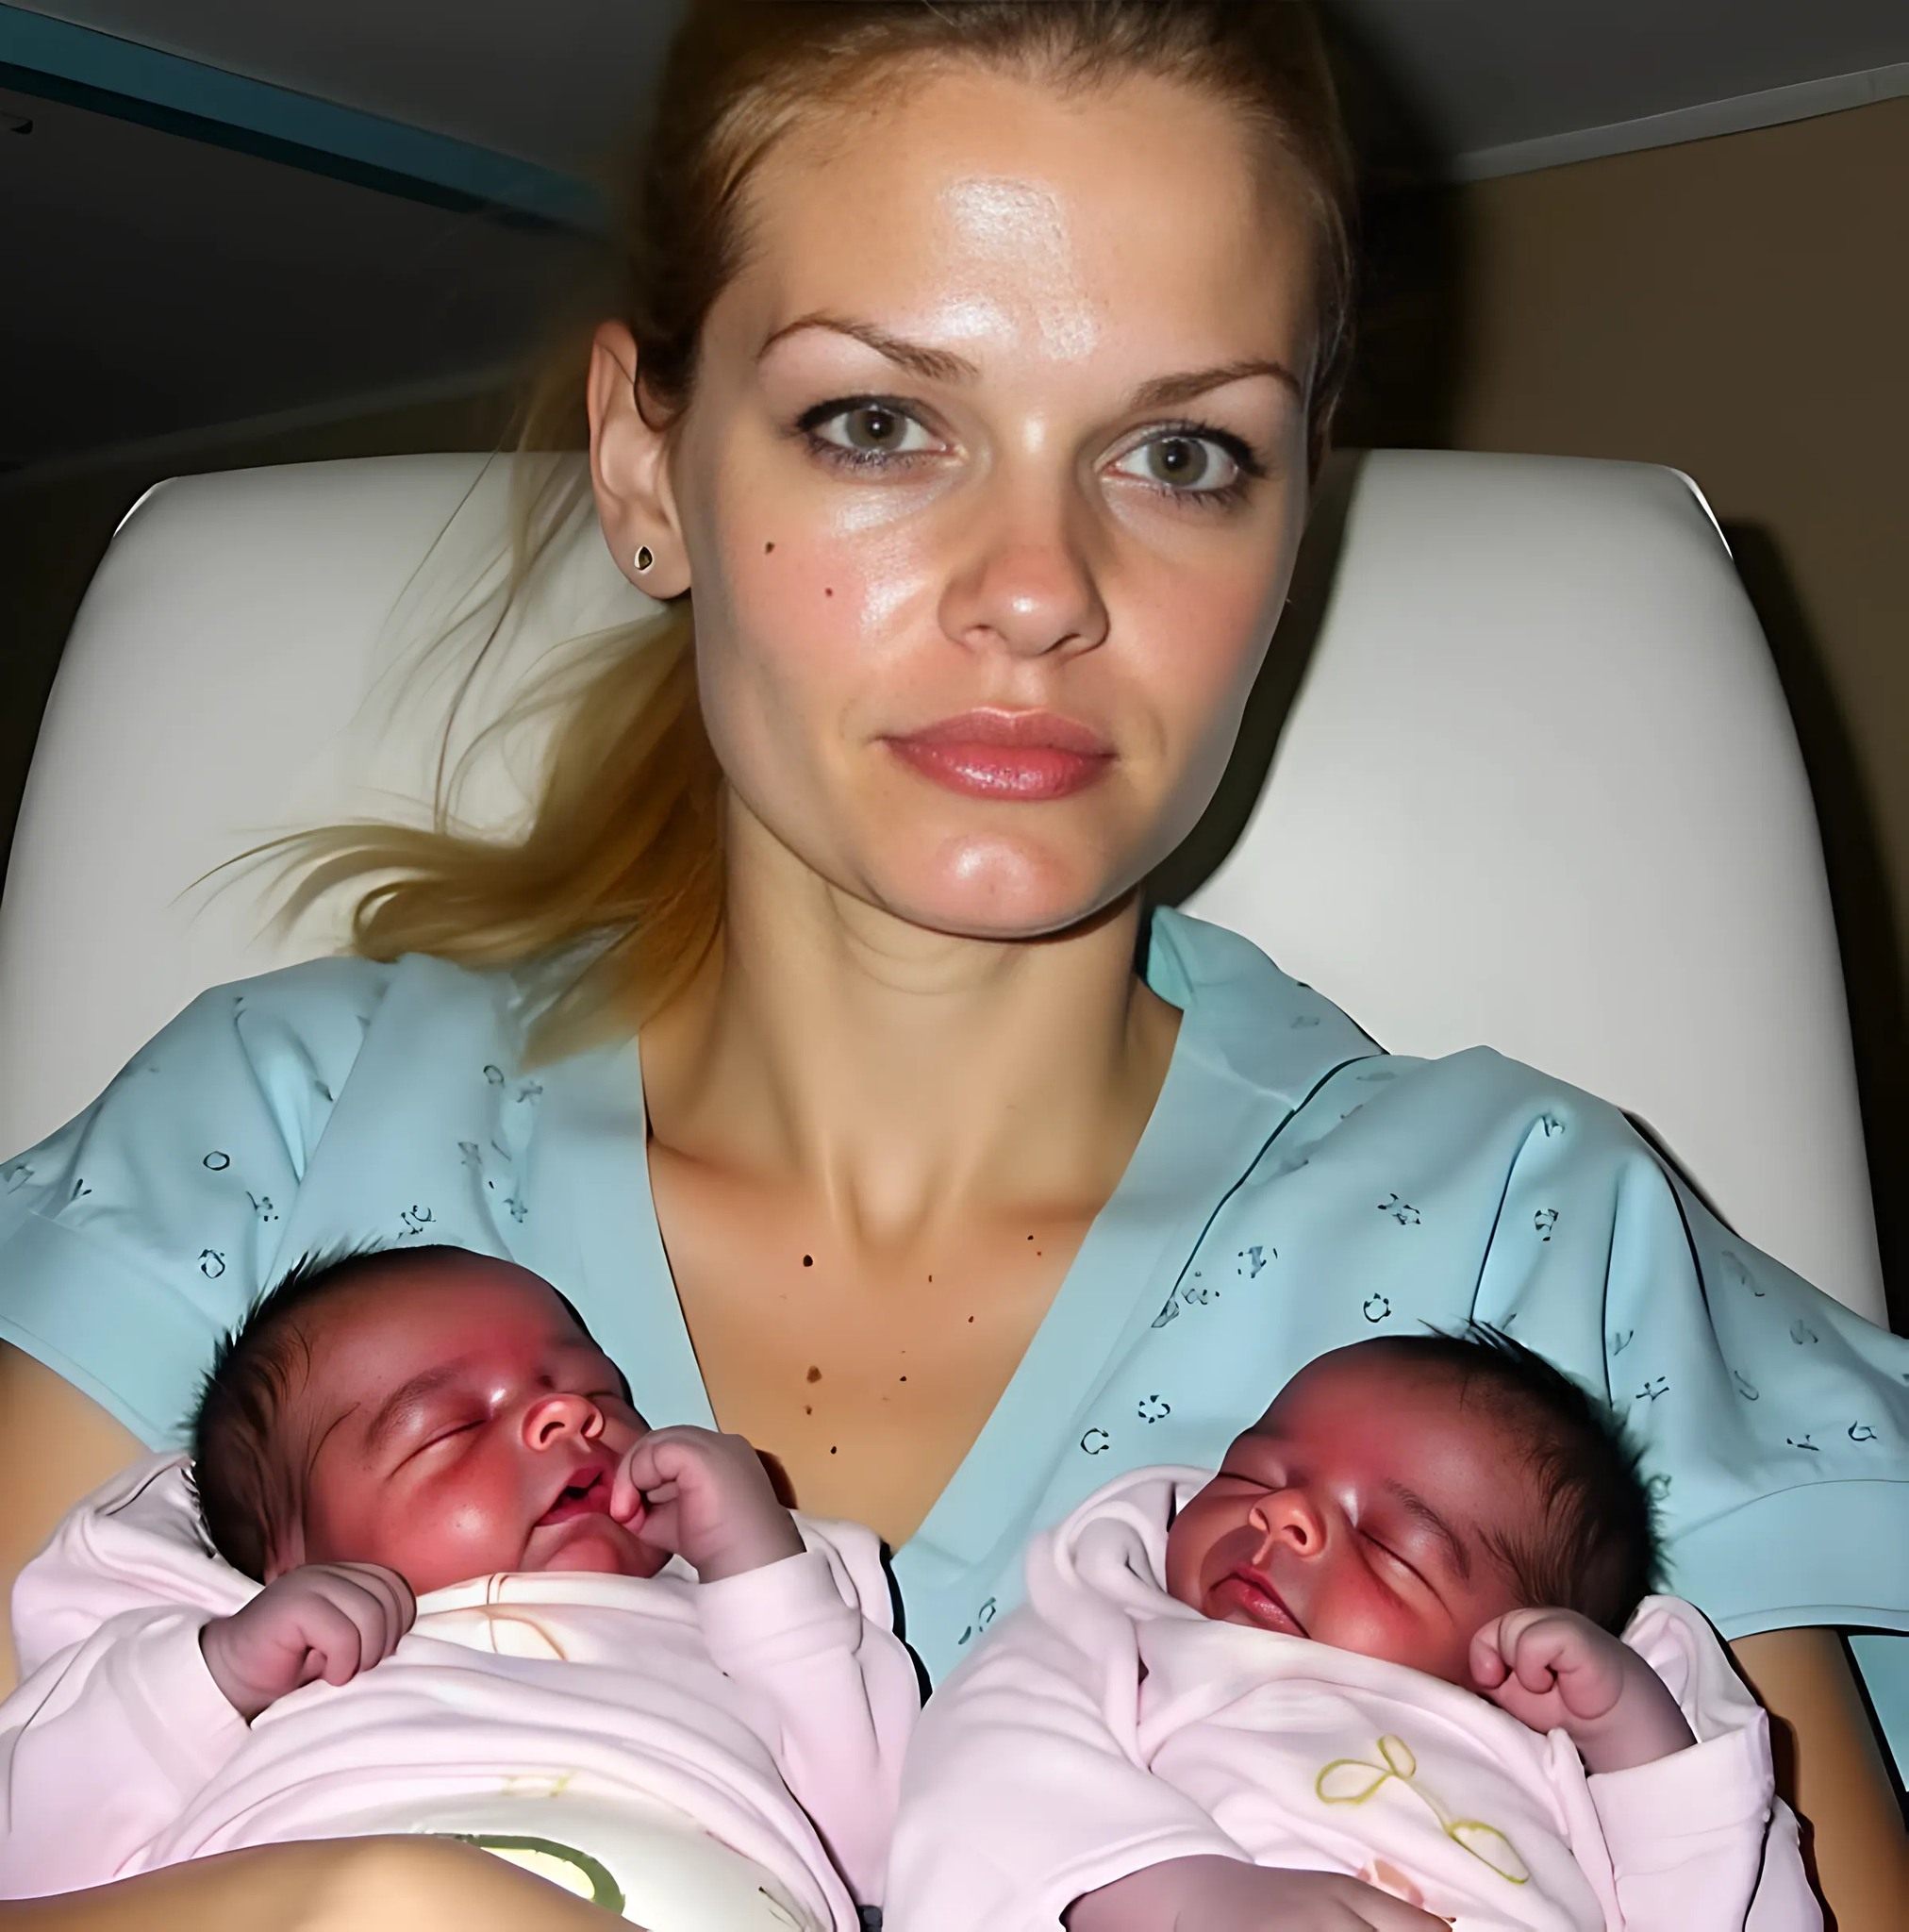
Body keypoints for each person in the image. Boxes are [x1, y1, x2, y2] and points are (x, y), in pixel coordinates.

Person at [0, 3, 1902, 1925]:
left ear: (1293, 523)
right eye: (878, 424)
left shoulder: (1534, 1244)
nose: (1037, 590)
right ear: (645, 464)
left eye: (1179, 451)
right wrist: (350, 1900)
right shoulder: (276, 1140)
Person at [0, 1244, 917, 1929]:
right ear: (290, 1556)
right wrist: (216, 1673)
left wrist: (758, 1569)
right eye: (450, 1428)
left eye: (597, 1391)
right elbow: (31, 1855)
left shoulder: (747, 1613)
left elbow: (880, 1848)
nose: (566, 1414)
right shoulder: (239, 1663)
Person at [886, 1331, 1818, 1930]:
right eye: (1252, 1476)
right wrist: (1169, 1895)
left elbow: (1722, 1899)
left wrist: (1644, 1754)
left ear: (1507, 1659)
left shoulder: (1552, 1774)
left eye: (1387, 1546)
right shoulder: (1120, 1638)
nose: (1284, 1514)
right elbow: (987, 1760)